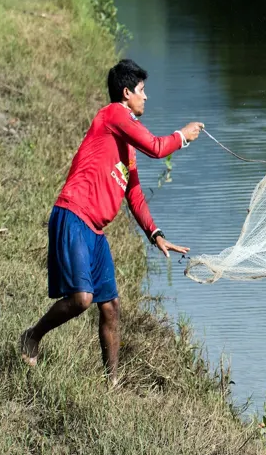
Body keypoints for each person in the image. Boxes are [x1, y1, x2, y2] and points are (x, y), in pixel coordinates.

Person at [19, 59, 204, 386]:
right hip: (74, 215)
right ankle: (32, 336)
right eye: (142, 91)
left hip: (95, 231)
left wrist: (155, 233)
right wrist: (183, 136)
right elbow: (158, 148)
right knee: (82, 300)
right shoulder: (114, 115)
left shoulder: (126, 142)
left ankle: (112, 384)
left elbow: (133, 192)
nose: (146, 98)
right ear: (126, 92)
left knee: (110, 307)